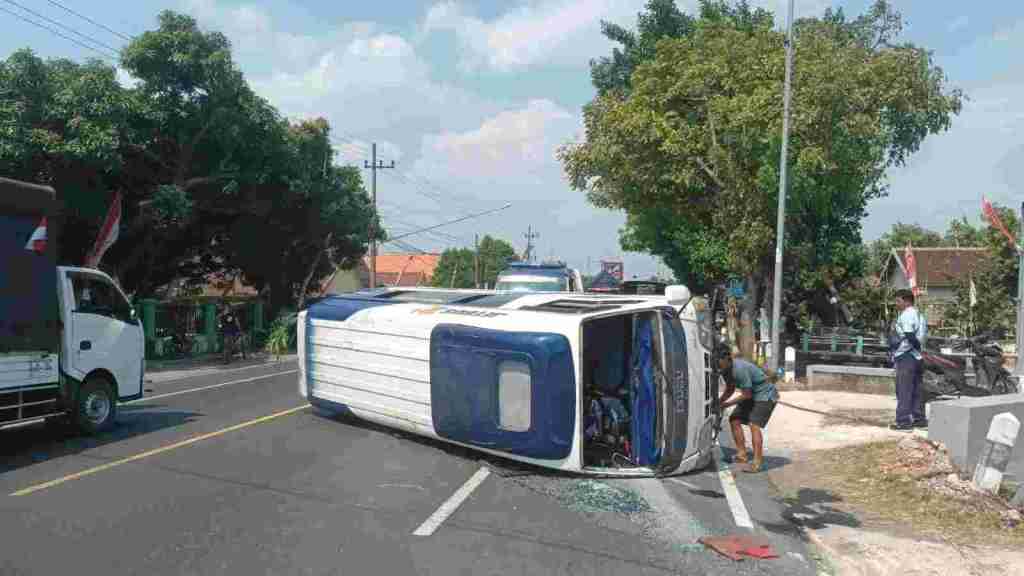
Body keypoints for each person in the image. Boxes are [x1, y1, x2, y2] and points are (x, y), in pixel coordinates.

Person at [717, 350, 779, 473]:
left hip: (765, 394)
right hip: (752, 394)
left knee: (753, 425)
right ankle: (742, 454)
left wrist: (726, 404)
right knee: (734, 419)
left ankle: (757, 463)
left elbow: (746, 394)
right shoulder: (725, 370)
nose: (717, 365)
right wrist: (719, 402)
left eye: (719, 362)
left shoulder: (739, 369)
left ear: (727, 359)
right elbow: (730, 389)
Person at [889, 289, 927, 430]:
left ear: (906, 301)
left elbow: (909, 334)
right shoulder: (919, 314)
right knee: (917, 389)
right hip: (917, 357)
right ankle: (919, 419)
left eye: (898, 301)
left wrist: (915, 347)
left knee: (904, 389)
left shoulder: (907, 314)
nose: (896, 304)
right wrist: (919, 349)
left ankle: (903, 422)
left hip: (906, 355)